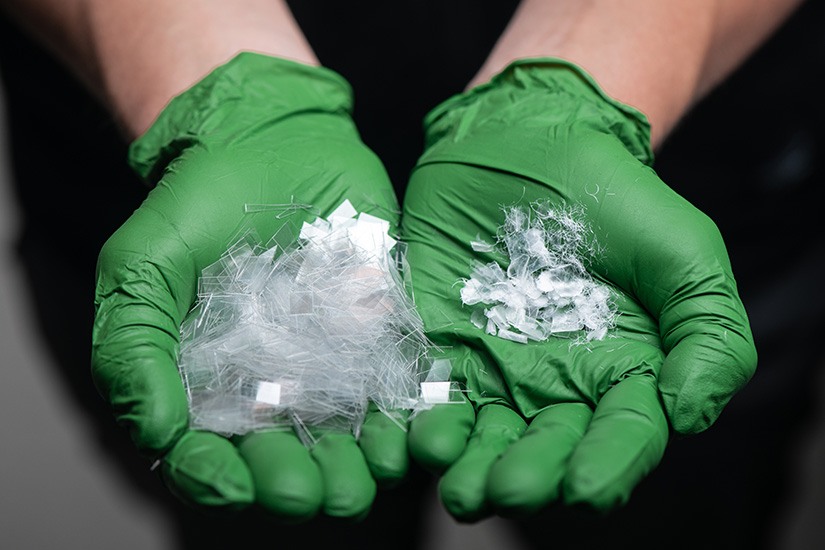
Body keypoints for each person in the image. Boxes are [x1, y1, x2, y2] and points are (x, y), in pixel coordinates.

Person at [0, 1, 821, 548]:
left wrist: (590, 74)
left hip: (670, 155)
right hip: (183, 175)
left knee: (661, 512)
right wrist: (212, 77)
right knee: (279, 505)